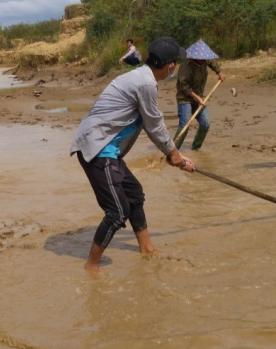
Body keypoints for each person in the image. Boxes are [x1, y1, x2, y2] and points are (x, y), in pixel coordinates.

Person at [71, 37, 195, 272]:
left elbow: (151, 126)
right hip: (98, 149)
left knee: (134, 194)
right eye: (176, 64)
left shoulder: (141, 77)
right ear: (171, 67)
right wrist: (175, 154)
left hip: (108, 149)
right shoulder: (145, 83)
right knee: (117, 212)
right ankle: (91, 268)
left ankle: (146, 248)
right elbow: (155, 125)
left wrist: (173, 155)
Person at [174, 39, 226, 151]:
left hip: (198, 98)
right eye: (202, 59)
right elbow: (184, 86)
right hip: (185, 99)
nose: (204, 60)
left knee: (205, 124)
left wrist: (219, 72)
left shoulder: (205, 60)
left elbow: (212, 62)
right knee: (185, 126)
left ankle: (196, 148)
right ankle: (173, 151)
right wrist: (197, 98)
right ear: (195, 57)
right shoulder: (186, 66)